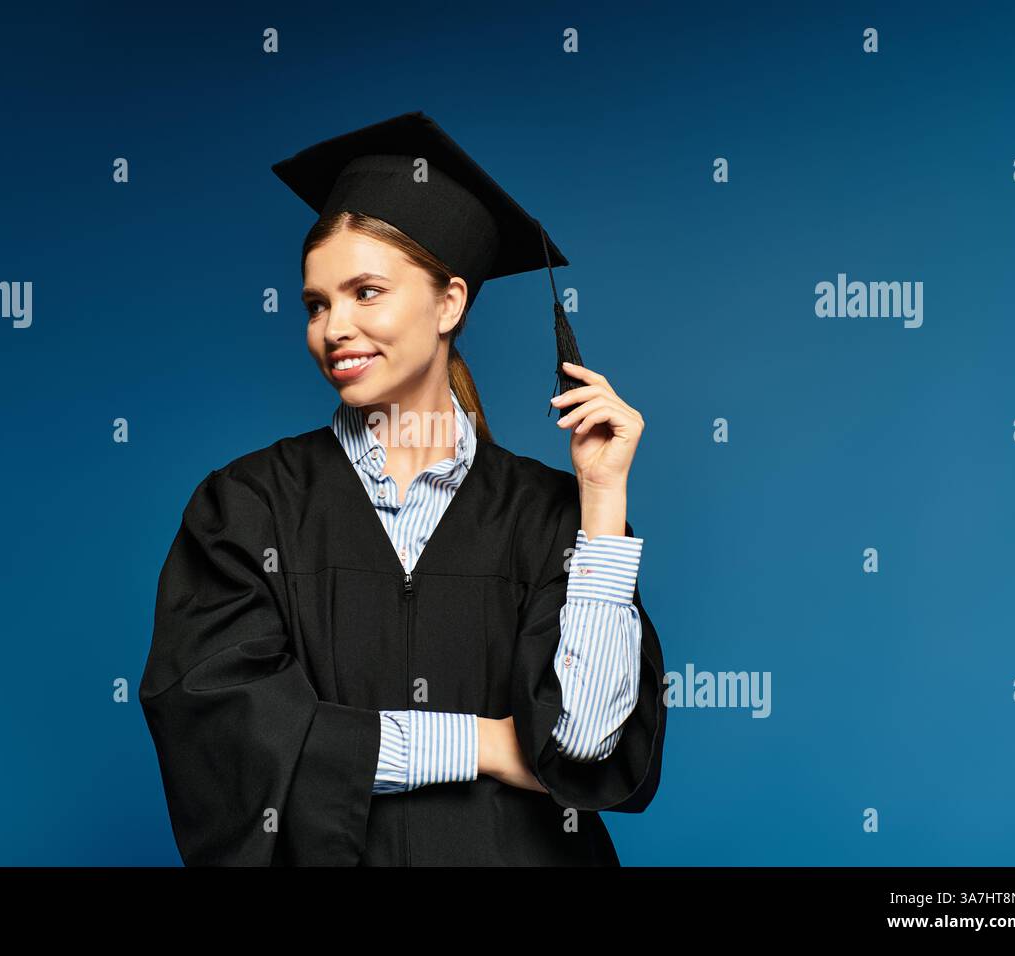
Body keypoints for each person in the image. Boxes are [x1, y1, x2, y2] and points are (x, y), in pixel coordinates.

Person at [138, 111, 667, 866]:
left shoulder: (551, 513)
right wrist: (484, 743)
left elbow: (582, 747)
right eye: (317, 304)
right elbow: (228, 739)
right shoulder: (247, 507)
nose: (335, 328)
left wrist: (603, 496)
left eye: (366, 292)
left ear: (449, 303)